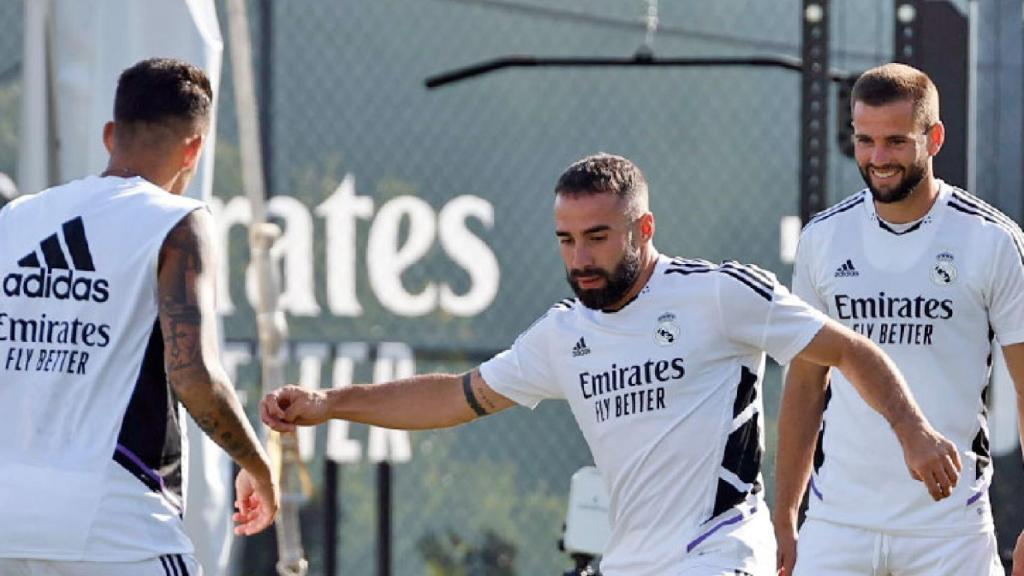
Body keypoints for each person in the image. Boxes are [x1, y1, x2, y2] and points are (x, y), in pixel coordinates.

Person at [262, 153, 957, 576]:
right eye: (566, 240)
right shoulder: (562, 335)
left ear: (642, 229)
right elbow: (453, 396)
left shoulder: (717, 294)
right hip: (628, 562)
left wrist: (912, 430)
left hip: (721, 553)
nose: (580, 258)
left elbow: (849, 350)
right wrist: (330, 404)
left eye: (597, 237)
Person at [0, 58, 278, 575]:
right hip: (115, 525)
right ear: (194, 149)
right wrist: (256, 464)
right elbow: (193, 374)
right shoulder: (176, 220)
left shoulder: (16, 218)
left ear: (111, 134)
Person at [774, 62, 1024, 576]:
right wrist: (785, 515)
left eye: (895, 142)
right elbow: (805, 382)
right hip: (837, 524)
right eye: (864, 141)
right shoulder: (823, 239)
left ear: (934, 138)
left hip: (950, 529)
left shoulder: (992, 240)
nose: (878, 158)